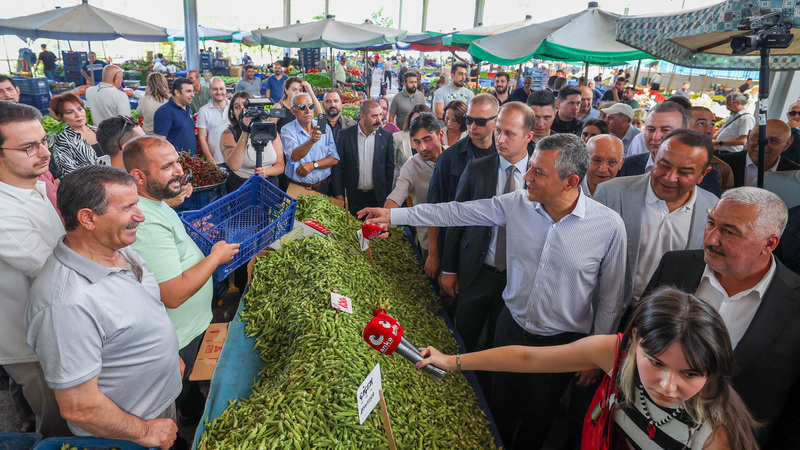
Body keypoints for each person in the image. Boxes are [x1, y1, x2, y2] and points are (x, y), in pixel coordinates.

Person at [360, 133, 627, 449]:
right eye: (530, 167)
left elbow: (611, 297)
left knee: (539, 418)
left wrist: (593, 356)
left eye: (538, 172)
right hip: (510, 328)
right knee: (500, 406)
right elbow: (455, 212)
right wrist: (393, 215)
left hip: (562, 345)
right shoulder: (517, 204)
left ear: (569, 182)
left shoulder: (608, 226)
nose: (526, 177)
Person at [415, 287, 760, 450]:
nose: (668, 386)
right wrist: (453, 361)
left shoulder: (715, 436)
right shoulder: (615, 353)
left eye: (690, 374)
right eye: (656, 363)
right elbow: (530, 358)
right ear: (634, 339)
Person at [25, 164, 181, 448]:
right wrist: (145, 432)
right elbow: (79, 407)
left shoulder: (117, 247)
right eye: (127, 208)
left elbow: (143, 307)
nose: (141, 216)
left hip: (158, 409)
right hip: (126, 432)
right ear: (88, 218)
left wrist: (168, 356)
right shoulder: (65, 304)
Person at [642, 187, 800, 447]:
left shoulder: (794, 305)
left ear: (769, 243)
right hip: (649, 427)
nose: (711, 239)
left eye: (729, 231)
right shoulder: (675, 266)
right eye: (711, 223)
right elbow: (636, 338)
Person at [123, 137, 239, 439]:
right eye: (167, 166)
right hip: (178, 335)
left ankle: (190, 416)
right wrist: (215, 257)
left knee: (188, 393)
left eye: (177, 161)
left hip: (191, 328)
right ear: (138, 176)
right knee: (178, 390)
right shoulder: (144, 221)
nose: (180, 170)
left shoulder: (155, 201)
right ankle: (184, 434)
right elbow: (172, 294)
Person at [0, 102, 70, 438]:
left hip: (57, 328)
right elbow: (53, 272)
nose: (43, 153)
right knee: (60, 425)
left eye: (44, 141)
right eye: (29, 147)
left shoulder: (36, 185)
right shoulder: (3, 212)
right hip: (30, 344)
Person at [440, 102, 533, 356]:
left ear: (529, 136)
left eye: (509, 134)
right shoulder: (478, 168)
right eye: (499, 131)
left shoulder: (542, 173)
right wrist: (449, 269)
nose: (500, 139)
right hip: (477, 272)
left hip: (518, 277)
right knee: (465, 336)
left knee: (502, 343)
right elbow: (456, 217)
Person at [595, 129, 718, 312]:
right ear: (654, 156)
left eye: (684, 172)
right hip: (611, 310)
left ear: (703, 174)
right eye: (664, 165)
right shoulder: (610, 193)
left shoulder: (713, 209)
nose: (669, 178)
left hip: (668, 319)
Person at [426, 94, 498, 280]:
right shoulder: (449, 158)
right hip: (457, 247)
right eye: (469, 120)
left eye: (480, 122)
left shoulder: (505, 154)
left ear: (496, 121)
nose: (472, 127)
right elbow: (435, 207)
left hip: (496, 251)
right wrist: (434, 254)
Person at [385, 112, 442, 260]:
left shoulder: (454, 157)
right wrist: (385, 217)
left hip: (457, 240)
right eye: (417, 142)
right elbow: (397, 195)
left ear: (440, 135)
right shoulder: (412, 166)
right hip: (427, 244)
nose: (422, 148)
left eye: (427, 139)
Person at [331, 100, 395, 216]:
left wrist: (387, 195)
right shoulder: (345, 135)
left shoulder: (386, 136)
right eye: (374, 116)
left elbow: (389, 169)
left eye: (380, 115)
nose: (379, 120)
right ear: (363, 117)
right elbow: (337, 167)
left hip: (377, 197)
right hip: (352, 197)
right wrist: (338, 194)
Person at [221, 91, 286, 189]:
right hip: (241, 186)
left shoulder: (270, 130)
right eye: (237, 107)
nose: (243, 110)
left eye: (246, 106)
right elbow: (234, 165)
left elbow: (280, 165)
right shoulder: (228, 133)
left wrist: (266, 171)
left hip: (269, 185)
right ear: (233, 113)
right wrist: (245, 131)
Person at [280, 92, 339, 194]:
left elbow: (334, 158)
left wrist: (314, 165)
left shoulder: (324, 127)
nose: (308, 110)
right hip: (296, 187)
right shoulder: (287, 129)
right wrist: (311, 141)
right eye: (302, 107)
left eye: (311, 106)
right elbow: (295, 156)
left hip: (323, 187)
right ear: (293, 111)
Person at [720, 119, 800, 187]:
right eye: (758, 137)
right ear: (748, 136)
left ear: (787, 144)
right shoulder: (722, 164)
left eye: (773, 140)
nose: (762, 145)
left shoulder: (795, 175)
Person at [50, 93, 101, 176]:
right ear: (61, 116)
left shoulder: (98, 130)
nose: (78, 114)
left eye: (80, 109)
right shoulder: (63, 140)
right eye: (70, 112)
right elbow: (69, 174)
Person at [688, 106, 735, 191]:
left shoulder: (722, 169)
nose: (709, 131)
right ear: (683, 125)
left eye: (712, 124)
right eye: (701, 123)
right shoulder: (667, 159)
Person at [154, 78, 197, 155]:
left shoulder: (187, 107)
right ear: (177, 92)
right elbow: (160, 142)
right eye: (188, 91)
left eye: (192, 91)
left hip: (190, 161)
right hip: (176, 162)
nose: (193, 95)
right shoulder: (164, 112)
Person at [392, 103, 430, 183]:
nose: (418, 123)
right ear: (410, 120)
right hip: (401, 184)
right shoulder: (397, 137)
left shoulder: (432, 139)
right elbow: (390, 164)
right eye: (415, 119)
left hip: (424, 185)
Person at [196, 77, 229, 165]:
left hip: (236, 159)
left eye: (221, 89)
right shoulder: (203, 111)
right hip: (217, 160)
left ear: (225, 90)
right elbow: (202, 137)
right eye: (215, 89)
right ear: (209, 90)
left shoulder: (234, 107)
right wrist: (211, 160)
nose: (219, 92)